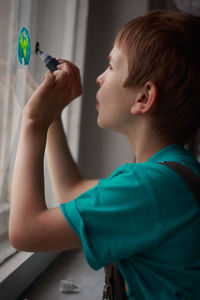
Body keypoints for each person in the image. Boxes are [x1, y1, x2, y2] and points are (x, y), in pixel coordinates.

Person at [9, 10, 200, 299]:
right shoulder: (172, 176)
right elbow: (70, 192)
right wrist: (51, 118)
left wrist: (32, 123)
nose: (99, 78)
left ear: (144, 98)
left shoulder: (148, 188)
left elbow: (25, 231)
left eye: (111, 66)